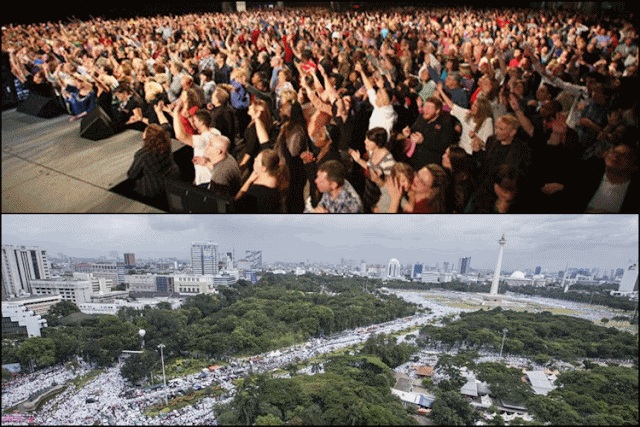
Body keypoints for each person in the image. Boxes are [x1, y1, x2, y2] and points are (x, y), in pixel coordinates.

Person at [550, 141, 638, 213]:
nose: (615, 156)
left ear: (633, 166)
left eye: (623, 156)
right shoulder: (591, 171)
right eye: (614, 152)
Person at [126, 123, 179, 210]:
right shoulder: (166, 144)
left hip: (153, 190)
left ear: (148, 137)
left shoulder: (143, 154)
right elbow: (167, 127)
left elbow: (132, 175)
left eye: (144, 132)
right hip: (171, 182)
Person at [171, 100, 222, 188]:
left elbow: (180, 136)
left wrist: (176, 112)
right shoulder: (215, 132)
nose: (192, 122)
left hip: (205, 181)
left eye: (194, 120)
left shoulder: (202, 140)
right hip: (214, 176)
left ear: (202, 123)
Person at [436, 83, 494, 155]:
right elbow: (452, 106)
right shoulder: (467, 114)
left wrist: (475, 137)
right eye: (473, 104)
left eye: (476, 106)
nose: (472, 107)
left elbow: (487, 144)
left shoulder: (487, 121)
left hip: (475, 154)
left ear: (482, 108)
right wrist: (441, 91)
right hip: (462, 151)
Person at [403, 96, 458, 171]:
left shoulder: (445, 125)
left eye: (429, 108)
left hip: (429, 165)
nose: (425, 110)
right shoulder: (421, 117)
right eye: (425, 107)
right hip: (413, 159)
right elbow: (413, 131)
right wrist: (408, 133)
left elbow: (443, 146)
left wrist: (424, 141)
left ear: (437, 110)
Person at [349, 127, 396, 212]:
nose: (365, 142)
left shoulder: (389, 161)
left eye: (369, 140)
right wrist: (358, 160)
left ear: (378, 143)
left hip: (379, 201)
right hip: (369, 194)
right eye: (366, 139)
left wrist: (379, 205)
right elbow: (370, 167)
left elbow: (391, 188)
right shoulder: (371, 152)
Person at [234, 149, 288, 213]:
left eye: (257, 160)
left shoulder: (255, 192)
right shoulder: (277, 183)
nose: (255, 159)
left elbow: (235, 204)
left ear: (264, 168)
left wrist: (248, 182)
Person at [441, 145, 476, 213]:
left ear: (454, 160)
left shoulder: (464, 186)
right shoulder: (447, 175)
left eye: (447, 156)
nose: (443, 156)